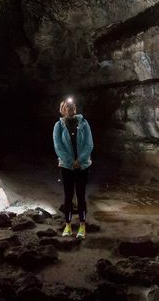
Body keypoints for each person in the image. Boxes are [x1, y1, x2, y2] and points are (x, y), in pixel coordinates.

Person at [53, 97, 93, 238]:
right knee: (68, 196)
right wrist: (71, 162)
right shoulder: (58, 126)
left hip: (82, 167)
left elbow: (89, 144)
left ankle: (82, 226)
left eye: (73, 107)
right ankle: (68, 226)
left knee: (81, 196)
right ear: (62, 110)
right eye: (68, 107)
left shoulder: (84, 123)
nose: (71, 109)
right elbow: (58, 147)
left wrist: (80, 160)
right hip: (67, 167)